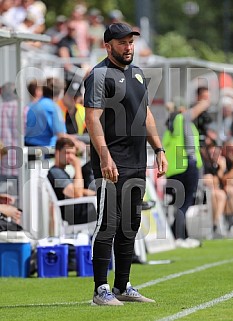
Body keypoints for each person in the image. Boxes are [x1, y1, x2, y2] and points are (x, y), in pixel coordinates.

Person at [84, 22, 168, 306]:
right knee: (108, 224)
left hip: (136, 162)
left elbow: (145, 116)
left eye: (130, 42)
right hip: (112, 163)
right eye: (122, 42)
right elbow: (92, 119)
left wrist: (159, 149)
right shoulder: (98, 75)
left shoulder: (138, 74)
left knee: (130, 225)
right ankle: (100, 290)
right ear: (108, 46)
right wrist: (105, 157)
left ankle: (123, 285)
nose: (128, 47)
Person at [162, 88, 211, 248]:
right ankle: (179, 237)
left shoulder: (170, 123)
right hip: (187, 166)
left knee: (180, 204)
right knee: (185, 203)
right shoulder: (181, 119)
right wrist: (204, 103)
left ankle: (182, 234)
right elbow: (188, 115)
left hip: (173, 169)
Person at [47, 137, 96, 226]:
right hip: (75, 215)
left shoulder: (61, 172)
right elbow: (77, 193)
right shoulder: (56, 173)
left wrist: (96, 194)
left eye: (73, 154)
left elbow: (77, 190)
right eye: (67, 153)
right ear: (57, 152)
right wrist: (77, 167)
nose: (71, 157)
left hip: (78, 210)